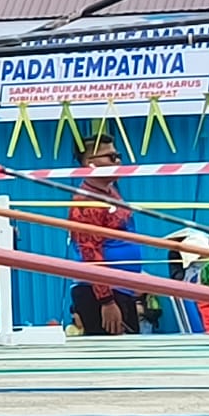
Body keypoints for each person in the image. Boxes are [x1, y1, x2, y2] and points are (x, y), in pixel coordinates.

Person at [65, 128, 143, 336]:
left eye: (118, 156)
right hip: (100, 294)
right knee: (113, 358)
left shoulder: (112, 193)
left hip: (122, 289)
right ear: (89, 163)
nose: (118, 162)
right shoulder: (85, 201)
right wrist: (106, 301)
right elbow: (90, 252)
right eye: (111, 157)